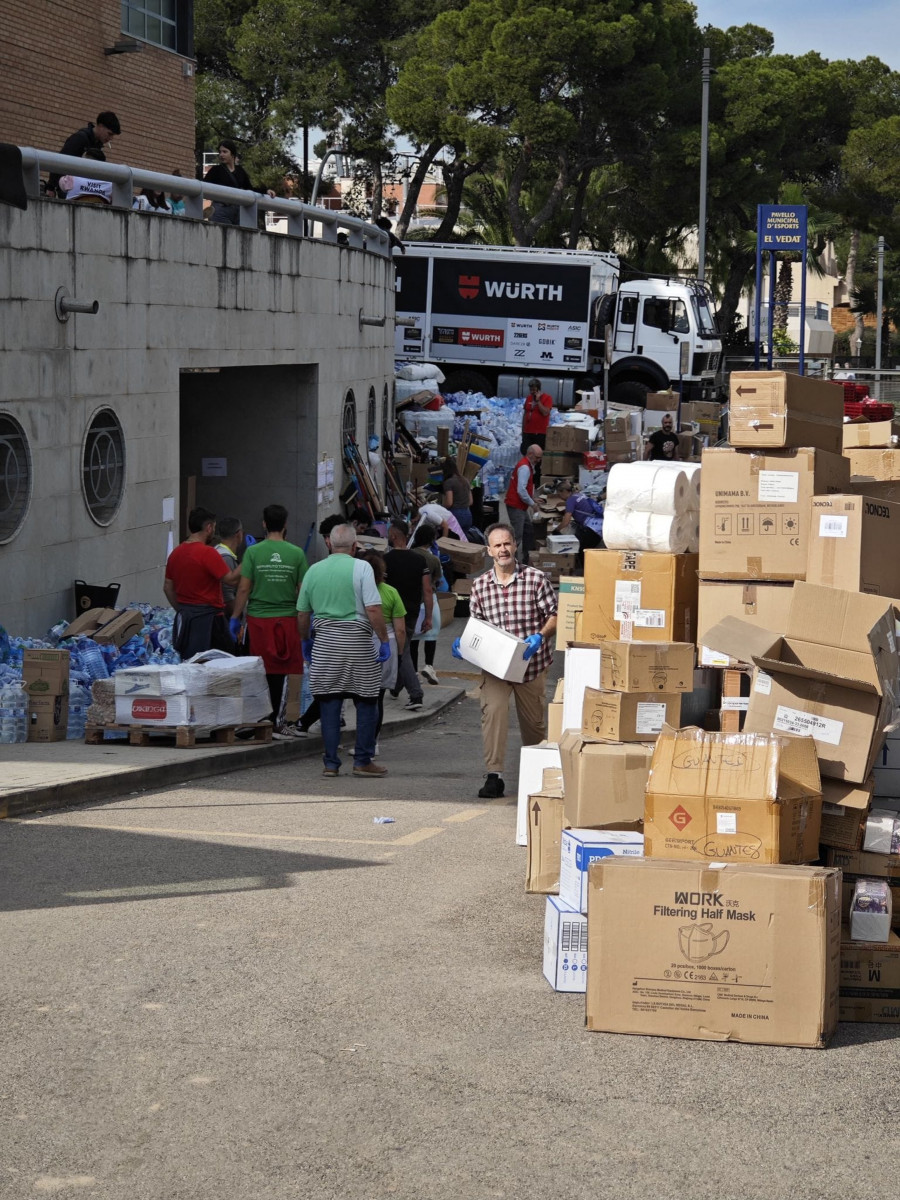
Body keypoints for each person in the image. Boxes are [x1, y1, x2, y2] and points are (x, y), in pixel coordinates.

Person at [453, 522, 557, 798]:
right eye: (497, 545)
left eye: (507, 543)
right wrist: (463, 643)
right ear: (489, 551)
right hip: (496, 667)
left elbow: (554, 616)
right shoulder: (480, 585)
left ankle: (538, 775)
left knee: (533, 724)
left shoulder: (535, 579)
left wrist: (540, 636)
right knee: (494, 715)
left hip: (531, 666)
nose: (503, 549)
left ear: (515, 546)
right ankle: (494, 776)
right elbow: (477, 624)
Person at [296, 524, 390, 778]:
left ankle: (330, 763)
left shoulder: (314, 570)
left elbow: (303, 613)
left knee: (328, 701)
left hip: (325, 643)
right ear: (354, 545)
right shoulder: (362, 568)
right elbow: (372, 609)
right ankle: (362, 760)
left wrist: (305, 640)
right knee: (367, 700)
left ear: (329, 544)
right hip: (357, 641)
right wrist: (383, 639)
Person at [229, 504, 309, 739]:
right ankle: (275, 721)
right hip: (287, 621)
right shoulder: (296, 554)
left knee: (259, 671)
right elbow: (302, 591)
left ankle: (259, 720)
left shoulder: (253, 553)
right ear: (285, 525)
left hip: (258, 621)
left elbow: (243, 588)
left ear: (264, 524)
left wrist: (235, 617)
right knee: (281, 673)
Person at [163, 506, 241, 658]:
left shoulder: (175, 553)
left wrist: (182, 609)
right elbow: (231, 580)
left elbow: (167, 587)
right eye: (214, 527)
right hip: (211, 622)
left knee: (191, 664)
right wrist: (250, 558)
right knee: (225, 663)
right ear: (209, 527)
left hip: (186, 621)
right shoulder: (208, 553)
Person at [358, 549, 407, 749]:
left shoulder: (357, 591)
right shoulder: (391, 592)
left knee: (360, 697)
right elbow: (401, 629)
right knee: (377, 697)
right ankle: (373, 742)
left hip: (360, 642)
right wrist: (400, 653)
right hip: (386, 644)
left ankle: (362, 740)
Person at [384, 519, 433, 711]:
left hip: (392, 614)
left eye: (389, 533)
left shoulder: (386, 561)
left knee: (402, 653)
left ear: (395, 536)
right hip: (412, 612)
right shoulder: (420, 560)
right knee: (401, 650)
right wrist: (428, 617)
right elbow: (427, 590)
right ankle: (396, 686)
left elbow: (381, 588)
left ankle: (416, 694)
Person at [203, 140, 276, 225]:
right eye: (220, 152)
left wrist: (266, 191)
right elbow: (204, 186)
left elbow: (249, 188)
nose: (221, 155)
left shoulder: (240, 171)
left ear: (232, 154)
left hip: (238, 211)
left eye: (225, 152)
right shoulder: (216, 170)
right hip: (221, 209)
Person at [48, 112, 120, 196]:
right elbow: (59, 161)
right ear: (100, 126)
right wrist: (51, 187)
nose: (110, 138)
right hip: (68, 190)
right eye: (109, 134)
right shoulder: (79, 139)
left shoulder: (97, 145)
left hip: (81, 191)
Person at [409, 523, 444, 685]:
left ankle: (413, 671)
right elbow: (438, 579)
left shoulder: (409, 554)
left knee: (413, 640)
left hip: (411, 601)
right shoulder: (433, 559)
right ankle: (429, 666)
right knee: (431, 636)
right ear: (432, 540)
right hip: (429, 601)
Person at [504, 443, 542, 562]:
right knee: (517, 535)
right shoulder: (525, 467)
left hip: (519, 505)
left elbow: (525, 487)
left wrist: (532, 498)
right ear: (530, 454)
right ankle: (510, 562)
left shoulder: (527, 465)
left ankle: (527, 558)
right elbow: (521, 490)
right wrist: (533, 504)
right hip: (516, 505)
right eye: (537, 457)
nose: (538, 460)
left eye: (540, 458)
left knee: (528, 530)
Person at [556, 483, 604, 559]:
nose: (559, 497)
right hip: (599, 525)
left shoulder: (570, 500)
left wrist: (557, 530)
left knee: (582, 550)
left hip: (592, 528)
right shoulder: (578, 494)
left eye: (559, 494)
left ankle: (586, 569)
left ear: (564, 491)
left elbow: (566, 522)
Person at [215, 516, 244, 617]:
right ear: (239, 534)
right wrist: (236, 616)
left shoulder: (216, 551)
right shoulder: (226, 557)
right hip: (225, 617)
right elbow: (227, 594)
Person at [440, 458, 473, 534]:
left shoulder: (449, 482)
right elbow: (470, 501)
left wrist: (440, 507)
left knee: (453, 541)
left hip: (455, 515)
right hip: (468, 514)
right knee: (463, 541)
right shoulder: (465, 480)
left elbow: (449, 503)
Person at [520, 378, 553, 454]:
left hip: (540, 433)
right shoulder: (529, 398)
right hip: (528, 432)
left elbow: (545, 413)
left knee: (537, 453)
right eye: (531, 390)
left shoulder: (547, 398)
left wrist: (538, 401)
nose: (532, 392)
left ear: (538, 389)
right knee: (525, 451)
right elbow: (525, 414)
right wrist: (523, 430)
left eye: (534, 390)